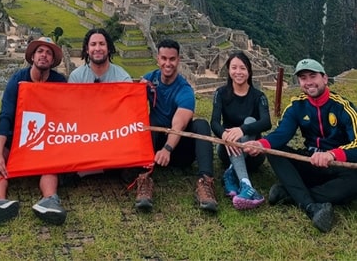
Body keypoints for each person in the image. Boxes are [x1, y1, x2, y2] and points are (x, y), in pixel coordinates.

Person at [245, 58, 357, 233]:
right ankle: (310, 206)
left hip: (337, 166)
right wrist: (260, 144)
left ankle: (290, 193)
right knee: (275, 150)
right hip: (310, 162)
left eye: (313, 76)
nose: (309, 82)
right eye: (303, 78)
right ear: (299, 82)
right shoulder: (297, 106)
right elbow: (281, 135)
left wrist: (332, 155)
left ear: (325, 78)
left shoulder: (343, 107)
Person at [0, 36, 67, 228]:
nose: (44, 55)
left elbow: (67, 114)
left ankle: (50, 199)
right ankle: (0, 202)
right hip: (18, 138)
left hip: (47, 139)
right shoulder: (18, 80)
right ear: (33, 56)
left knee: (54, 160)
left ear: (52, 61)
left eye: (48, 53)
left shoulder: (60, 82)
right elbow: (5, 117)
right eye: (40, 51)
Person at [135, 39, 218, 213]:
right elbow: (130, 105)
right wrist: (137, 91)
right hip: (154, 147)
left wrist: (168, 148)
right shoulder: (149, 80)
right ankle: (144, 179)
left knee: (202, 125)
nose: (167, 63)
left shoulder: (184, 89)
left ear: (178, 60)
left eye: (172, 59)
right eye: (164, 58)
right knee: (151, 121)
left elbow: (179, 122)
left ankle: (206, 183)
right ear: (158, 58)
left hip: (178, 150)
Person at [210, 51, 271, 209]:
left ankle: (231, 175)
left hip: (253, 154)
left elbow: (266, 122)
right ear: (229, 71)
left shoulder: (258, 96)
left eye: (242, 68)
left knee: (251, 120)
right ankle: (246, 185)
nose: (238, 72)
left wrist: (242, 129)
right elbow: (214, 122)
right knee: (233, 138)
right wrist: (225, 135)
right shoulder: (221, 93)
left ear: (249, 71)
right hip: (226, 151)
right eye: (234, 68)